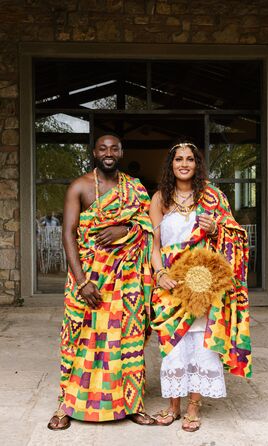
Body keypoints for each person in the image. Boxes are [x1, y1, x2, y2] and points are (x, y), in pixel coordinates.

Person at [48, 134, 154, 430]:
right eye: (103, 148)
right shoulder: (80, 186)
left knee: (127, 339)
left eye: (115, 148)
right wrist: (82, 282)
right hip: (88, 278)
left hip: (127, 279)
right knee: (79, 338)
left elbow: (147, 226)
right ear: (95, 152)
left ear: (121, 152)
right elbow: (68, 234)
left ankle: (132, 404)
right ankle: (65, 404)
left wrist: (124, 229)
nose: (109, 153)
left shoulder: (134, 188)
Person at [149, 140, 251, 432]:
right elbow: (153, 245)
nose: (184, 164)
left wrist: (216, 229)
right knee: (172, 344)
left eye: (190, 159)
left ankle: (194, 407)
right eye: (178, 159)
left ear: (197, 165)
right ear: (171, 164)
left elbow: (237, 236)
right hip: (170, 282)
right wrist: (159, 273)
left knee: (201, 346)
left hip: (203, 282)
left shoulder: (212, 197)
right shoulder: (159, 199)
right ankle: (172, 407)